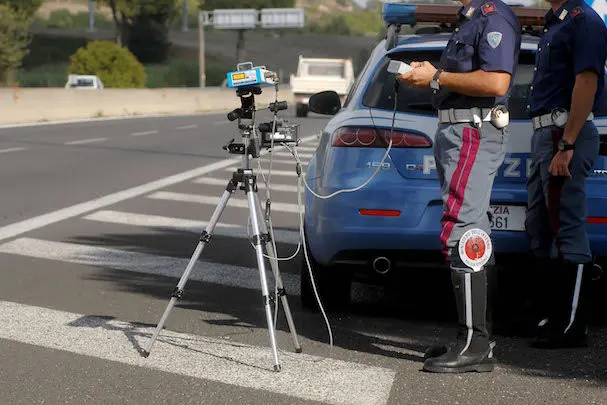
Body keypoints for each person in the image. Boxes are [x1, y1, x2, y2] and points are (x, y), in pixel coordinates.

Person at [397, 0, 521, 373]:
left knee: (462, 229)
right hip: (459, 130)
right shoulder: (473, 19)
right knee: (473, 228)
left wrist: (436, 77)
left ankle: (474, 344)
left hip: (473, 130)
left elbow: (496, 81)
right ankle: (475, 340)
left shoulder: (493, 17)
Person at [524, 0, 607, 349]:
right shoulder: (556, 22)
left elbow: (586, 80)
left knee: (567, 227)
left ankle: (573, 324)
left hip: (564, 134)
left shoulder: (583, 21)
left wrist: (567, 143)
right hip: (547, 133)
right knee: (540, 227)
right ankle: (548, 317)